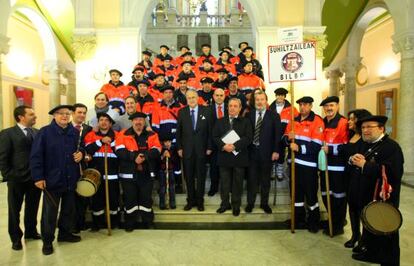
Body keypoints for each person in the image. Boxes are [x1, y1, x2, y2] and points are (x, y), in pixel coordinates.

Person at [349, 115, 403, 265]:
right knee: (369, 228)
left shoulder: (391, 147)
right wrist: (354, 159)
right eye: (363, 127)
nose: (365, 130)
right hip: (367, 196)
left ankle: (388, 262)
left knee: (386, 231)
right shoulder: (367, 144)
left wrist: (365, 165)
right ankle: (371, 253)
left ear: (381, 128)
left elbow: (393, 172)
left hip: (384, 200)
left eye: (369, 127)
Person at [30, 105, 83, 255]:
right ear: (54, 116)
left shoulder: (74, 132)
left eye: (67, 113)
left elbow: (81, 149)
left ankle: (64, 234)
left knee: (68, 210)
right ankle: (47, 241)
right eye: (61, 114)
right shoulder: (45, 132)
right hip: (52, 180)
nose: (65, 116)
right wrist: (38, 177)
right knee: (49, 213)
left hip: (70, 178)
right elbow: (36, 156)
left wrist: (81, 154)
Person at [0, 105, 41, 251]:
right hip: (16, 178)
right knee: (14, 210)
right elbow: (2, 157)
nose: (35, 117)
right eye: (31, 114)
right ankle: (16, 238)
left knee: (33, 207)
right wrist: (8, 175)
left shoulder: (37, 133)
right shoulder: (7, 133)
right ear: (21, 117)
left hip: (35, 178)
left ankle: (31, 231)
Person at [282, 96, 324, 233]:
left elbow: (317, 145)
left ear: (311, 106)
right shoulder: (293, 121)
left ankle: (313, 221)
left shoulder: (317, 121)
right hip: (294, 164)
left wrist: (299, 148)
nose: (302, 107)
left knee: (311, 196)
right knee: (296, 195)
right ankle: (298, 219)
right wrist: (289, 140)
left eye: (305, 105)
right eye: (300, 105)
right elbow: (285, 138)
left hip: (309, 166)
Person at [115, 112, 161, 231]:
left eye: (141, 119)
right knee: (130, 199)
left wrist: (144, 157)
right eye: (136, 120)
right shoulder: (122, 134)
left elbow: (157, 149)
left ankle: (148, 222)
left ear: (144, 121)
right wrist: (134, 157)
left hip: (147, 172)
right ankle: (130, 223)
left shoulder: (152, 134)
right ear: (132, 121)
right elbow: (119, 151)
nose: (138, 122)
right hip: (128, 174)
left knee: (146, 199)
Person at [213, 98, 252, 216]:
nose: (232, 108)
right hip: (224, 156)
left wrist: (234, 146)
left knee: (237, 183)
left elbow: (248, 138)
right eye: (230, 106)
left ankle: (236, 206)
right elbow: (215, 136)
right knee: (224, 183)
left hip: (239, 157)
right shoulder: (219, 121)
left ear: (240, 108)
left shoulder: (246, 121)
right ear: (227, 107)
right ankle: (225, 204)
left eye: (235, 106)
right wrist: (224, 146)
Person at [176, 89, 213, 211]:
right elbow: (179, 132)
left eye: (193, 97)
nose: (191, 100)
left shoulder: (206, 111)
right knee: (189, 177)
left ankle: (200, 201)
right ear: (186, 99)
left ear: (197, 98)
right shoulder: (182, 112)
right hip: (187, 151)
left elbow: (210, 132)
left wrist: (209, 147)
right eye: (189, 98)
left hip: (202, 150)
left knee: (201, 176)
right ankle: (190, 201)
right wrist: (179, 147)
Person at [245, 90, 281, 214]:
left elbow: (277, 135)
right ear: (254, 101)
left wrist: (276, 150)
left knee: (265, 180)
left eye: (262, 99)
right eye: (257, 100)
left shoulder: (274, 116)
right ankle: (250, 203)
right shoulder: (249, 115)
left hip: (267, 153)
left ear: (266, 101)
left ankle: (264, 203)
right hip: (252, 153)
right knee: (252, 180)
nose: (260, 102)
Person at [84, 113, 120, 231]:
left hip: (113, 175)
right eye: (101, 120)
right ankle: (97, 224)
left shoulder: (118, 135)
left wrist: (111, 142)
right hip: (96, 176)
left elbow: (121, 151)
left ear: (110, 123)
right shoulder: (90, 135)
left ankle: (114, 223)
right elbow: (87, 150)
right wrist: (100, 141)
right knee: (97, 201)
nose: (103, 122)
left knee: (113, 200)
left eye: (106, 120)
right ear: (98, 122)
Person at [320, 96, 349, 236]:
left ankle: (338, 224)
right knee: (326, 195)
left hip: (338, 168)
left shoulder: (344, 123)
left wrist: (331, 150)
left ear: (337, 106)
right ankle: (332, 219)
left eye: (331, 105)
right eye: (326, 107)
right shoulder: (322, 122)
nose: (328, 109)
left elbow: (347, 147)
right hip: (324, 167)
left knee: (339, 197)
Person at [342, 109, 371, 249]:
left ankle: (364, 241)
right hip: (349, 176)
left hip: (360, 178)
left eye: (352, 119)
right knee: (352, 207)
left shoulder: (365, 139)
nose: (349, 122)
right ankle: (355, 235)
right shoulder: (351, 135)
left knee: (361, 208)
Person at [71, 103, 93, 233]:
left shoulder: (89, 129)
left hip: (84, 167)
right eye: (79, 112)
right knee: (71, 198)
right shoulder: (66, 128)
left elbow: (89, 147)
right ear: (73, 113)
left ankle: (81, 222)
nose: (82, 115)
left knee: (83, 196)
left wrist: (86, 155)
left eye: (84, 113)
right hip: (69, 167)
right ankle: (71, 224)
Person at [269, 88, 298, 180]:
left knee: (281, 152)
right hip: (272, 134)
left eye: (282, 95)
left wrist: (289, 133)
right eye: (278, 95)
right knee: (272, 151)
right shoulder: (270, 107)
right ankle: (273, 169)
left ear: (284, 96)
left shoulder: (292, 108)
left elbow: (296, 121)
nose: (280, 97)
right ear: (276, 96)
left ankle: (280, 170)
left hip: (284, 134)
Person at [207, 88, 227, 196]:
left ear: (224, 96)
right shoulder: (208, 110)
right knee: (214, 168)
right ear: (213, 97)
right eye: (217, 95)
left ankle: (226, 188)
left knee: (226, 168)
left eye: (221, 95)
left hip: (228, 143)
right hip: (213, 144)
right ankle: (213, 188)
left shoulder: (230, 108)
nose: (219, 97)